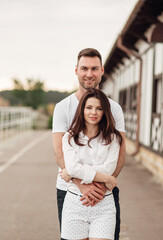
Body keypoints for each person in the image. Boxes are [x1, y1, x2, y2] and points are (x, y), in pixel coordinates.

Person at [52, 48, 126, 240]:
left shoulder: (114, 108)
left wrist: (102, 186)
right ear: (76, 70)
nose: (89, 74)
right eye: (84, 68)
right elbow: (60, 152)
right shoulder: (62, 107)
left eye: (94, 69)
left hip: (104, 193)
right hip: (70, 190)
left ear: (102, 70)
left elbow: (119, 155)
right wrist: (81, 185)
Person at [60, 88, 123, 240]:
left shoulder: (113, 138)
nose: (93, 112)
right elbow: (75, 168)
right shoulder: (69, 137)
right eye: (89, 107)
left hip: (103, 204)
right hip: (75, 203)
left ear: (104, 112)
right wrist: (106, 179)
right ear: (82, 110)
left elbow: (109, 168)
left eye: (99, 108)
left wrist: (72, 172)